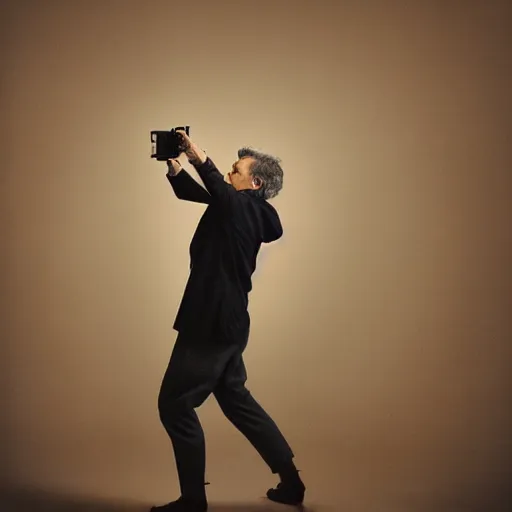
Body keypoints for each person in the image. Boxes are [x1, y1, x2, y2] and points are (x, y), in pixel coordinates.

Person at [151, 131, 305, 512]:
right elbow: (205, 194)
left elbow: (216, 189)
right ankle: (291, 483)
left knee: (174, 405)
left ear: (255, 183)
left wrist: (195, 153)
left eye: (237, 170)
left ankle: (192, 501)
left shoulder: (242, 208)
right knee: (237, 401)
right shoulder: (243, 209)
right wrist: (175, 169)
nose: (230, 174)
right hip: (231, 323)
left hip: (211, 322)